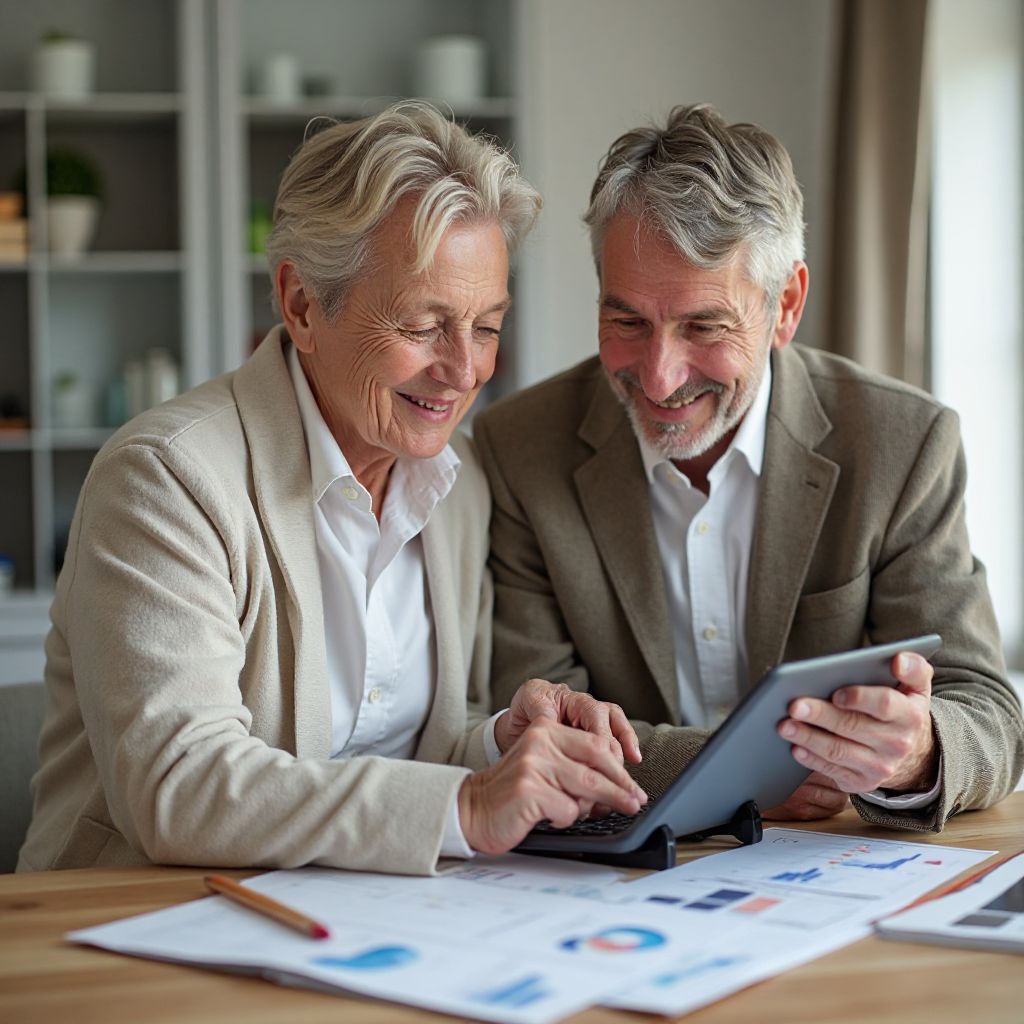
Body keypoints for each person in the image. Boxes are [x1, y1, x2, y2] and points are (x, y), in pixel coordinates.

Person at [18, 102, 647, 876]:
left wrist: (499, 746)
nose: (465, 371)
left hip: (359, 924)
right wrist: (468, 807)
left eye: (486, 326)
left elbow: (413, 746)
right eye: (423, 326)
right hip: (141, 930)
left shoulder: (461, 483)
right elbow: (179, 785)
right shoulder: (166, 479)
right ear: (301, 304)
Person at [474, 103, 1024, 831]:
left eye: (703, 326)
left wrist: (917, 752)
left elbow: (988, 712)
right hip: (613, 872)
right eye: (627, 321)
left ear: (786, 305)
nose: (662, 377)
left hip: (833, 866)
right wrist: (753, 776)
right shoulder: (518, 447)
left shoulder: (903, 443)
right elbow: (540, 720)